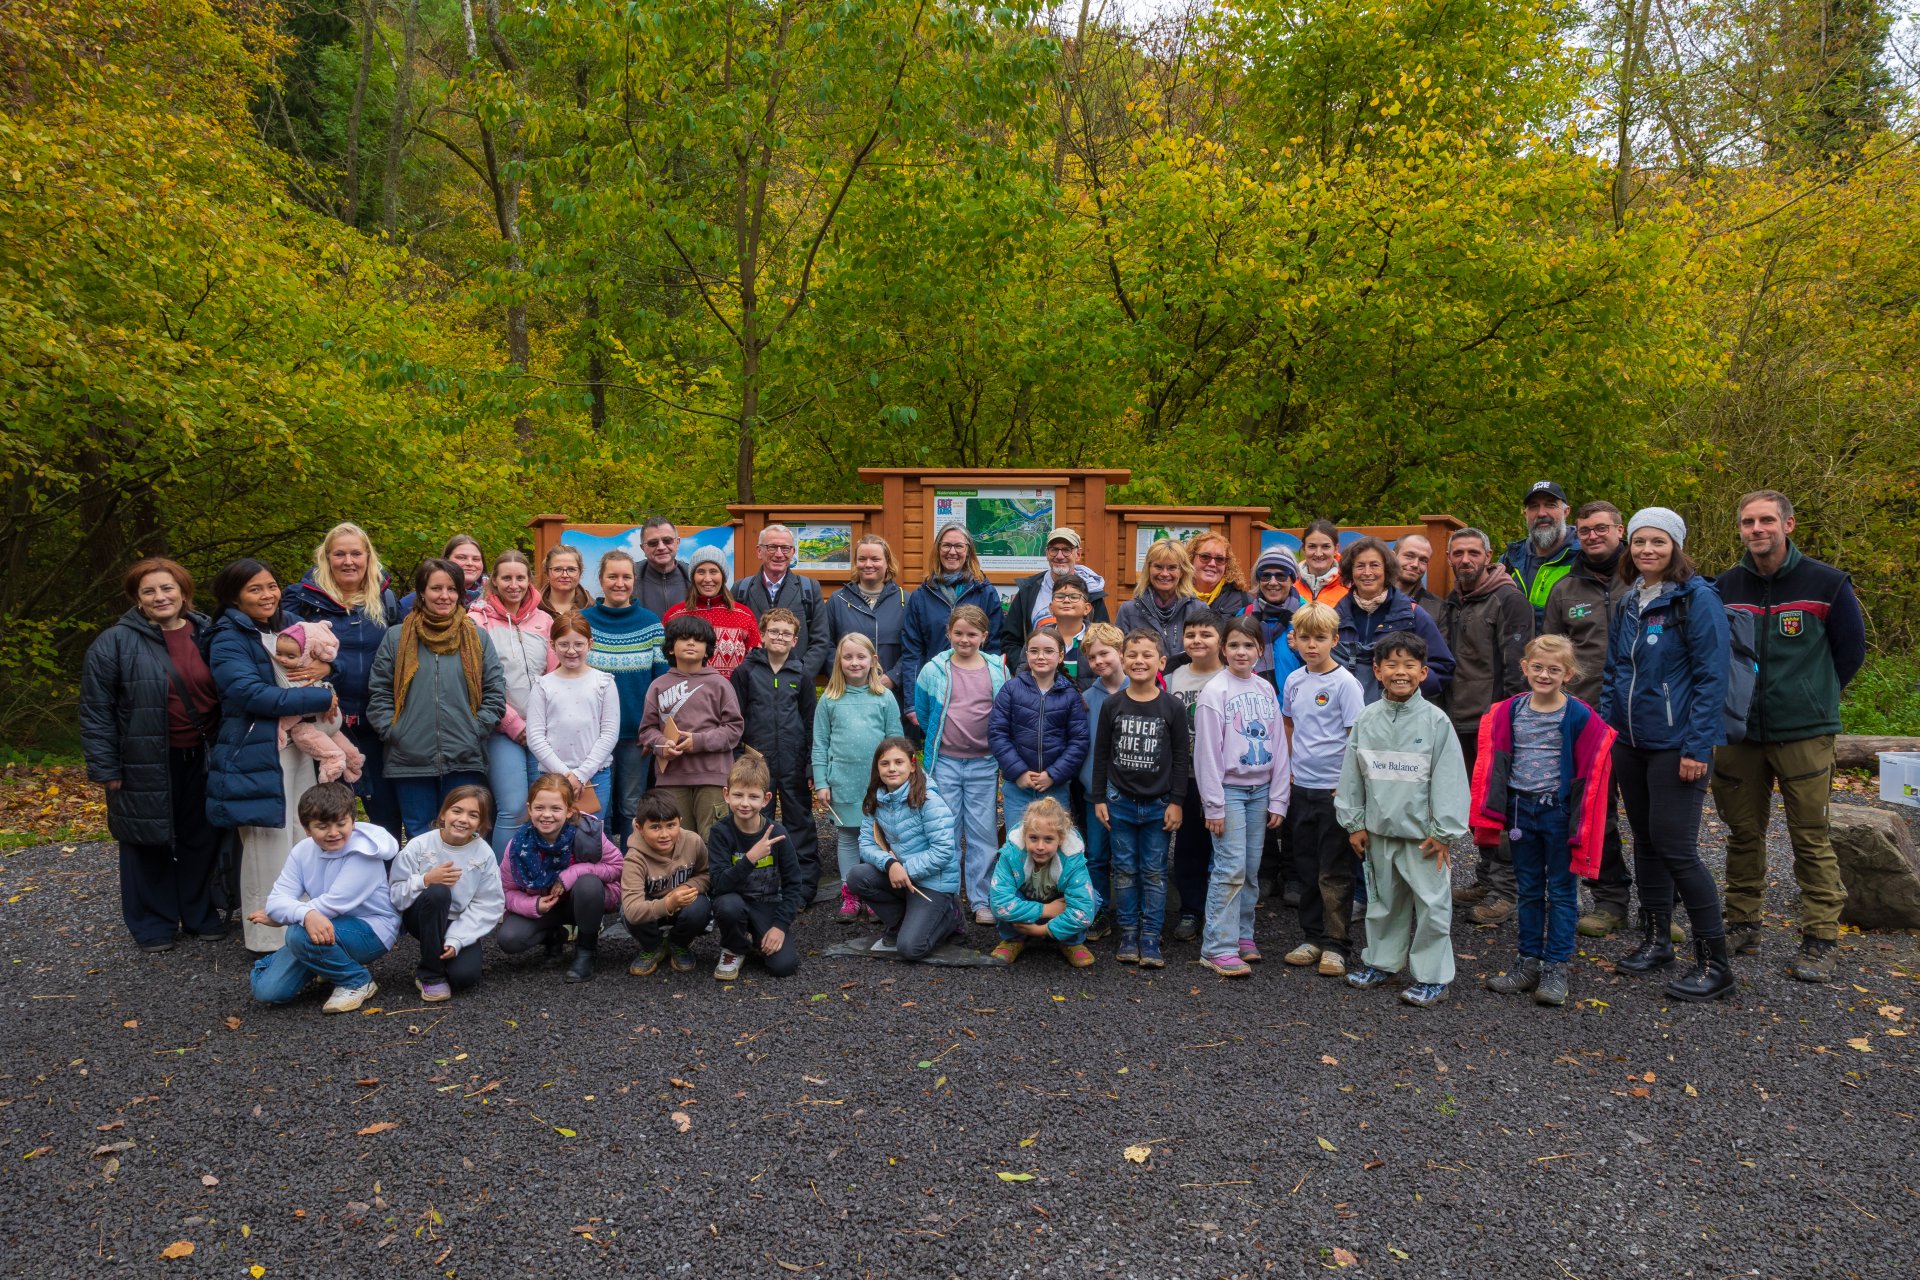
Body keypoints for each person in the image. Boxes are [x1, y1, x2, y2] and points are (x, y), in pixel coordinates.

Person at [1713, 489, 1867, 983]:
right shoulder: (1723, 587)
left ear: (1788, 525)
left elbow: (1850, 653)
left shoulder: (1827, 583)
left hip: (1804, 731)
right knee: (1742, 832)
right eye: (1747, 522)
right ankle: (1742, 923)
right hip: (1738, 732)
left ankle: (1820, 936)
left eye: (1765, 521)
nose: (1756, 530)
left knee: (1810, 836)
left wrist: (1812, 694)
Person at [1599, 507, 1736, 1001]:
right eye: (1639, 542)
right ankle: (1656, 942)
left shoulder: (1696, 599)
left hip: (1678, 744)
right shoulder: (1629, 599)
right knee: (1647, 841)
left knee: (1678, 848)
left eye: (1658, 541)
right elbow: (1615, 671)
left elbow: (1710, 677)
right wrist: (1607, 732)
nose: (1647, 550)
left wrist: (1698, 745)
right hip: (1631, 742)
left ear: (1675, 546)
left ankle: (1714, 963)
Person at [80, 557, 225, 952]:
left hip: (205, 754)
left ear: (183, 592)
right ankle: (153, 923)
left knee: (202, 837)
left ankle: (198, 914)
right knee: (147, 840)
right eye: (149, 591)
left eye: (167, 588)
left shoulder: (210, 633)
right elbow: (96, 710)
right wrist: (106, 767)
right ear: (136, 600)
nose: (160, 597)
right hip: (143, 759)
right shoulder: (114, 643)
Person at [1473, 636, 1616, 1008]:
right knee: (1530, 889)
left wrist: (1579, 816)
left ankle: (1556, 966)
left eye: (1554, 669)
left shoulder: (1578, 714)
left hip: (1558, 813)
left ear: (1568, 673)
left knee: (1563, 891)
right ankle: (1527, 961)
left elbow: (1595, 763)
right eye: (1537, 667)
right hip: (1522, 812)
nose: (1544, 674)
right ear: (1525, 667)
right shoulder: (1510, 711)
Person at [205, 558, 334, 953]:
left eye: (272, 586)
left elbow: (326, 655)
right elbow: (249, 695)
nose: (268, 595)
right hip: (256, 747)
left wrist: (326, 666)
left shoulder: (286, 623)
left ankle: (300, 928)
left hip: (297, 746)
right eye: (255, 589)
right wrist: (321, 695)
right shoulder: (227, 637)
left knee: (300, 837)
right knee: (267, 845)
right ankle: (267, 940)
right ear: (234, 596)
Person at [1339, 632, 1471, 1008]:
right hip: (1379, 833)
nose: (1401, 672)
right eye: (1392, 665)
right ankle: (1381, 962)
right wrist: (1355, 822)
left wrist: (1444, 831)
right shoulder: (1367, 719)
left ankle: (1431, 976)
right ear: (1377, 671)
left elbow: (1449, 778)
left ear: (1424, 672)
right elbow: (1352, 774)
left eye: (1409, 665)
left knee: (1432, 906)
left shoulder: (1436, 721)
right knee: (1383, 903)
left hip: (1423, 838)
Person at [366, 558, 508, 842]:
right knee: (420, 833)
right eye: (436, 588)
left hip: (464, 755)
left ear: (460, 593)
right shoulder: (396, 638)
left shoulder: (477, 638)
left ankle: (459, 887)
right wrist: (395, 732)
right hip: (409, 756)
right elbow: (378, 692)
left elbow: (495, 691)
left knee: (463, 832)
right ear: (421, 592)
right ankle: (428, 888)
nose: (444, 596)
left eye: (452, 589)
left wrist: (475, 729)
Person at [1543, 501, 1634, 937]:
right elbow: (1551, 658)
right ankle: (1610, 900)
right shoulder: (1565, 589)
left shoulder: (1644, 577)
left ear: (1621, 530)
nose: (1593, 536)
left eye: (1602, 528)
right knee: (1598, 811)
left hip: (1644, 715)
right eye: (1585, 530)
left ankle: (1662, 906)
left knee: (1653, 814)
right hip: (1586, 717)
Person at [1438, 527, 1533, 925]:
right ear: (1449, 558)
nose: (1465, 560)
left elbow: (1517, 668)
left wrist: (1511, 721)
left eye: (1473, 552)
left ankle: (1505, 890)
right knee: (1476, 808)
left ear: (1488, 555)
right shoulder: (1454, 601)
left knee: (1500, 807)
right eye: (1457, 553)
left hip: (1492, 722)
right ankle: (1483, 877)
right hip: (1456, 719)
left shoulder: (1508, 599)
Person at [284, 523, 402, 830]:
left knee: (386, 816)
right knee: (328, 817)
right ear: (326, 558)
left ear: (368, 557)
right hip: (324, 723)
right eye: (339, 554)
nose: (348, 561)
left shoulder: (386, 600)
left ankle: (385, 877)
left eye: (355, 553)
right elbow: (283, 652)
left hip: (376, 722)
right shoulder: (302, 600)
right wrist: (333, 669)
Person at [246, 781, 399, 1011]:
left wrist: (287, 916)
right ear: (307, 829)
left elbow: (333, 903)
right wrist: (299, 913)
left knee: (298, 933)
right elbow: (276, 900)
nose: (334, 833)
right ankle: (326, 964)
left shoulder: (365, 853)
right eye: (322, 826)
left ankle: (357, 981)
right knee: (267, 991)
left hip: (372, 929)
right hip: (322, 927)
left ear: (353, 822)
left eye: (341, 823)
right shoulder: (302, 851)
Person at [1194, 617, 1291, 978]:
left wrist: (1279, 798)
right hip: (1230, 792)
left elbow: (1279, 746)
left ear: (1259, 651)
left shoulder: (1266, 690)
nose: (1241, 652)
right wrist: (1214, 804)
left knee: (1250, 869)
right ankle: (1217, 946)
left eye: (1249, 646)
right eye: (1234, 645)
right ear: (1223, 649)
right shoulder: (1214, 692)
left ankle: (1242, 935)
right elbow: (1206, 755)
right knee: (1229, 868)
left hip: (1261, 790)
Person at [1091, 628, 1188, 968]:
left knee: (1155, 871)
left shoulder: (1172, 707)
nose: (1139, 661)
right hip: (1119, 802)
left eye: (1147, 655)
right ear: (1123, 659)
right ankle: (1128, 933)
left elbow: (1180, 758)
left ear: (1161, 661)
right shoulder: (1112, 704)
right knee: (1124, 870)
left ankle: (1151, 935)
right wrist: (1099, 797)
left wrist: (1177, 801)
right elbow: (1100, 754)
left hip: (1159, 805)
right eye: (1132, 655)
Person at [1279, 603, 1366, 977]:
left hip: (1333, 790)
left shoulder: (1345, 683)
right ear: (1294, 639)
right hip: (1302, 788)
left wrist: (1346, 788)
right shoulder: (1294, 680)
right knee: (1306, 866)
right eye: (1305, 638)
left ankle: (1336, 943)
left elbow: (1355, 739)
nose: (1311, 645)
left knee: (1335, 869)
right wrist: (1289, 773)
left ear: (1335, 639)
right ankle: (1311, 936)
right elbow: (1288, 726)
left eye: (1319, 638)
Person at [914, 606, 1008, 926]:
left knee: (983, 833)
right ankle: (948, 896)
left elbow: (1002, 713)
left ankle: (981, 899)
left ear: (984, 636)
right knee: (946, 830)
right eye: (958, 633)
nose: (964, 639)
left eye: (972, 634)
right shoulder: (934, 669)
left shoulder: (997, 670)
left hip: (984, 763)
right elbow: (925, 715)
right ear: (948, 633)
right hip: (945, 763)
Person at [730, 607, 820, 905]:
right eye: (774, 631)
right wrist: (739, 760)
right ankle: (758, 886)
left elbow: (810, 721)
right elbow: (736, 719)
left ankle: (803, 888)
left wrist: (809, 764)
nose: (779, 637)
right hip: (757, 764)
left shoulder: (801, 673)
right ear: (763, 635)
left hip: (793, 762)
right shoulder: (746, 671)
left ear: (795, 640)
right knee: (755, 822)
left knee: (799, 823)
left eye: (786, 633)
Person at [497, 773, 624, 982]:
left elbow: (617, 866)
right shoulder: (518, 845)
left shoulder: (588, 832)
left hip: (581, 902)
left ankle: (586, 950)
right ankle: (553, 936)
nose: (547, 815)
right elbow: (506, 891)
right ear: (529, 809)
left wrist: (572, 873)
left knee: (588, 884)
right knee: (510, 939)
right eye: (539, 808)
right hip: (546, 907)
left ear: (569, 811)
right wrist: (534, 905)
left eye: (555, 808)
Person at [470, 549, 557, 852]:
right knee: (514, 807)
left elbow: (554, 673)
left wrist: (540, 723)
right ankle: (501, 887)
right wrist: (514, 724)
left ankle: (531, 879)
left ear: (529, 580)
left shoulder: (544, 620)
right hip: (501, 729)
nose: (514, 584)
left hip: (541, 729)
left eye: (520, 577)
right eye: (506, 578)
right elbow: (477, 681)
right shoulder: (476, 621)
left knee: (541, 807)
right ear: (493, 580)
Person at [816, 632, 906, 917]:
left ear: (873, 661)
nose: (855, 663)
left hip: (878, 784)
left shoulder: (884, 697)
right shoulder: (829, 700)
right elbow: (820, 744)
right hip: (843, 781)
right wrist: (821, 782)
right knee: (848, 837)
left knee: (879, 838)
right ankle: (850, 892)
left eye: (861, 657)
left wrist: (897, 779)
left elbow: (896, 741)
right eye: (848, 657)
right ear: (838, 661)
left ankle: (873, 892)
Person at [387, 785, 505, 1001]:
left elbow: (488, 904)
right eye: (457, 811)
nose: (463, 819)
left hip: (458, 921)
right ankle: (431, 974)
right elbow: (396, 894)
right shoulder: (419, 846)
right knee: (439, 892)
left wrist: (457, 939)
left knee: (465, 977)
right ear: (443, 814)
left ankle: (445, 954)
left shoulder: (484, 854)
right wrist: (426, 880)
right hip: (422, 915)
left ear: (482, 823)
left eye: (473, 815)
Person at [989, 628, 1091, 875]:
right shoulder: (1012, 689)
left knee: (1054, 843)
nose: (1041, 656)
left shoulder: (1070, 695)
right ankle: (1017, 899)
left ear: (1060, 655)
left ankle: (1053, 898)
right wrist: (1019, 772)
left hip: (1055, 786)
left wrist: (1054, 774)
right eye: (1034, 651)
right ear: (1026, 654)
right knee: (1018, 841)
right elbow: (997, 734)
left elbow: (1079, 741)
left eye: (1048, 651)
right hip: (1018, 786)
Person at [849, 738, 962, 961]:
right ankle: (901, 921)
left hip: (933, 883)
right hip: (899, 876)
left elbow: (943, 850)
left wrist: (906, 869)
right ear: (877, 768)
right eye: (885, 763)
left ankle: (951, 916)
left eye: (898, 762)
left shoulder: (930, 801)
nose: (892, 768)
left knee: (911, 948)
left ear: (912, 765)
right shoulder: (876, 799)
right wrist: (890, 864)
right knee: (857, 876)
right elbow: (866, 843)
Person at [581, 549, 665, 843]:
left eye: (626, 576)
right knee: (596, 808)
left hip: (636, 736)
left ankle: (630, 871)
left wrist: (653, 729)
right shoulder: (583, 621)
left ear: (634, 580)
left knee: (632, 806)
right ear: (600, 580)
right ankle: (599, 870)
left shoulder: (651, 623)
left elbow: (661, 683)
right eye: (612, 576)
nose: (620, 583)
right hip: (592, 736)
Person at [638, 614, 745, 837]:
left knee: (713, 838)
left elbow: (734, 729)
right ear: (669, 648)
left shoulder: (720, 684)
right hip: (672, 779)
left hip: (713, 778)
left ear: (707, 650)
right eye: (683, 638)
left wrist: (697, 741)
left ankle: (712, 875)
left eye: (697, 640)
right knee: (678, 840)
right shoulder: (658, 686)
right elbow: (647, 730)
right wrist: (662, 744)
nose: (690, 643)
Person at [705, 755, 806, 980]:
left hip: (766, 904)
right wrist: (750, 858)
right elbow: (719, 885)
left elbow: (793, 883)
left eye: (753, 796)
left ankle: (755, 938)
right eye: (738, 795)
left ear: (766, 799)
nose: (745, 803)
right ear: (726, 795)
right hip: (733, 901)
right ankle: (734, 948)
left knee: (784, 966)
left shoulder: (778, 833)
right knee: (728, 905)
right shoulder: (720, 833)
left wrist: (779, 926)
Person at [899, 524, 1006, 713]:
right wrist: (912, 703)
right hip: (934, 690)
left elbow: (994, 647)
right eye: (946, 545)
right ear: (938, 550)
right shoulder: (921, 596)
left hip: (976, 692)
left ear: (969, 551)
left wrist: (995, 694)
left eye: (959, 546)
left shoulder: (985, 592)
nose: (952, 552)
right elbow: (912, 652)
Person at [1334, 537, 1453, 703]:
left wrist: (1407, 688)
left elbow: (1442, 667)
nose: (1367, 572)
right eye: (1360, 566)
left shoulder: (1413, 615)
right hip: (1346, 715)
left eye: (1375, 565)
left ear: (1387, 569)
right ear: (1350, 571)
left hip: (1399, 714)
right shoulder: (1335, 617)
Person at [1165, 612, 1225, 942]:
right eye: (1190, 635)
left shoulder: (1229, 676)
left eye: (1206, 634)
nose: (1197, 640)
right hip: (1184, 774)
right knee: (1188, 846)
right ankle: (1190, 910)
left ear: (1220, 641)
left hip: (1220, 776)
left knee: (1221, 847)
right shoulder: (1173, 676)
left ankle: (1219, 913)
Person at [526, 613, 620, 816]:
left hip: (595, 775)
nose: (571, 651)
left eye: (578, 644)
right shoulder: (543, 685)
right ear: (552, 645)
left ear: (590, 643)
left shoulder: (603, 682)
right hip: (551, 776)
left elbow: (609, 733)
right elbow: (535, 737)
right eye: (563, 644)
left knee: (589, 833)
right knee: (553, 830)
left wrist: (582, 773)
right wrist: (565, 774)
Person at [989, 796, 1097, 967]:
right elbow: (999, 903)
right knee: (1003, 892)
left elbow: (1083, 912)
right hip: (1033, 909)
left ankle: (1071, 941)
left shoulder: (1072, 858)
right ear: (1024, 836)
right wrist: (1046, 910)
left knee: (1091, 897)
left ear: (1060, 839)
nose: (1040, 846)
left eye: (1048, 839)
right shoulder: (1012, 854)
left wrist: (1043, 930)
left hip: (1054, 910)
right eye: (1033, 838)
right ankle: (1013, 939)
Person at [622, 788, 714, 976]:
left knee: (701, 906)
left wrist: (688, 887)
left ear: (680, 820)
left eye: (671, 825)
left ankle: (678, 943)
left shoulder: (693, 842)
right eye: (655, 827)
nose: (664, 834)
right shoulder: (634, 858)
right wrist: (668, 903)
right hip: (652, 910)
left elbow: (706, 875)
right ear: (639, 827)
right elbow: (632, 911)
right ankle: (653, 946)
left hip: (683, 905)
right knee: (627, 913)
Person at [1075, 622, 1128, 938]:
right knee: (1095, 855)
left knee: (1127, 855)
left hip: (1131, 791)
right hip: (1095, 793)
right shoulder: (1086, 698)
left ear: (1120, 652)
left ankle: (1129, 913)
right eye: (1092, 658)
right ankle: (1098, 911)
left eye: (1104, 654)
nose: (1098, 662)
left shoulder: (1141, 689)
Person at [271, 622, 364, 783]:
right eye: (279, 654)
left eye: (290, 656)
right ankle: (342, 765)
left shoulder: (307, 671)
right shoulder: (293, 674)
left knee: (338, 747)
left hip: (321, 723)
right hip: (318, 724)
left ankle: (343, 764)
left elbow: (298, 708)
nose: (283, 660)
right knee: (335, 745)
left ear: (308, 654)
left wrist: (281, 728)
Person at [821, 533, 910, 697]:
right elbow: (826, 645)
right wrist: (844, 677)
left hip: (892, 695)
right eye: (862, 559)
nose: (868, 564)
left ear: (887, 563)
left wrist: (893, 677)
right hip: (847, 693)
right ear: (856, 563)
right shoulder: (837, 600)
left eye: (875, 559)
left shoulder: (906, 600)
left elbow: (913, 648)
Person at [732, 523, 825, 677]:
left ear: (793, 552)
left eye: (785, 548)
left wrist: (800, 674)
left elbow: (820, 641)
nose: (779, 554)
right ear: (759, 551)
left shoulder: (809, 589)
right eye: (772, 547)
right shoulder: (741, 589)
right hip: (752, 682)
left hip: (795, 685)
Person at [1002, 527, 1111, 658]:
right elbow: (1010, 641)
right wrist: (1025, 669)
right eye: (1054, 549)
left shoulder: (1092, 593)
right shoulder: (1028, 590)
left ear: (1078, 554)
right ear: (1047, 553)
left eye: (1066, 550)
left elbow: (1104, 641)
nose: (1059, 556)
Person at [666, 546, 762, 678]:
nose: (707, 579)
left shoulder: (744, 614)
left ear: (723, 576)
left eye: (713, 572)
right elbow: (665, 660)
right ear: (693, 577)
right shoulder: (675, 615)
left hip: (733, 695)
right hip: (687, 695)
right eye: (700, 572)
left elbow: (756, 662)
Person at [1116, 538, 1211, 661]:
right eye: (1158, 567)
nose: (1165, 573)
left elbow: (1208, 655)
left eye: (1172, 567)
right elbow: (1120, 657)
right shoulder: (1128, 611)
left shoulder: (1199, 609)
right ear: (1148, 569)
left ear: (1182, 571)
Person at [1500, 481, 1578, 627]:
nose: (1541, 513)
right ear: (1525, 514)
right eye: (1534, 506)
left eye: (1551, 505)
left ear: (1566, 511)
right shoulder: (1509, 559)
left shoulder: (1583, 556)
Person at [1013, 574, 1097, 685]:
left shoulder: (1098, 638)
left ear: (1087, 608)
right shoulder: (1038, 638)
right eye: (1060, 596)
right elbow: (1022, 676)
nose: (1066, 600)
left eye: (1074, 597)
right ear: (1051, 608)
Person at [1249, 544, 1302, 690]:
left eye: (1281, 576)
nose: (1273, 582)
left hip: (1298, 705)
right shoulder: (1245, 616)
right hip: (1254, 704)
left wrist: (1302, 649)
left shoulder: (1308, 616)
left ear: (1292, 579)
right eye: (1265, 576)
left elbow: (1325, 664)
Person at [397, 534, 487, 619]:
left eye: (476, 559)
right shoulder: (409, 604)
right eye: (461, 557)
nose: (470, 563)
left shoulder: (494, 599)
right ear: (445, 560)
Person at [634, 516, 693, 619]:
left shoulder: (694, 577)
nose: (661, 547)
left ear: (677, 543)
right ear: (643, 548)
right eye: (653, 543)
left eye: (667, 540)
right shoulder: (629, 579)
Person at [1187, 531, 1254, 620]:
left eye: (1219, 559)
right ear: (1191, 559)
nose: (1212, 564)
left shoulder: (1244, 602)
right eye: (1205, 557)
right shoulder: (1176, 597)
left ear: (1227, 564)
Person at [1294, 521, 1348, 608]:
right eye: (1312, 546)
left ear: (1336, 549)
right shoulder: (1289, 583)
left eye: (1326, 546)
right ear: (1304, 549)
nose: (1318, 553)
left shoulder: (1348, 583)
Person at [536, 543, 591, 618]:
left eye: (571, 569)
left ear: (580, 573)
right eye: (558, 569)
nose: (565, 575)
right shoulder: (532, 608)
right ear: (547, 572)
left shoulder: (592, 609)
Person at [1395, 534, 1442, 614]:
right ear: (1393, 556)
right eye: (1409, 556)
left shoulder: (1438, 609)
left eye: (1423, 560)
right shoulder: (1370, 597)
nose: (1415, 564)